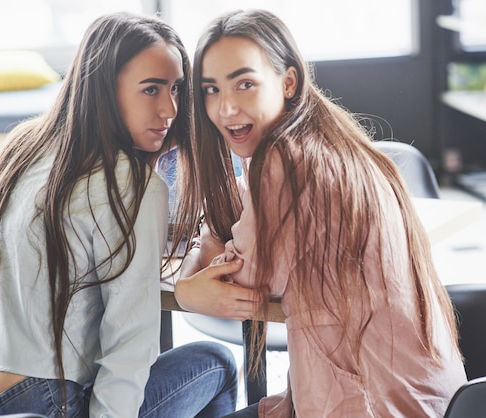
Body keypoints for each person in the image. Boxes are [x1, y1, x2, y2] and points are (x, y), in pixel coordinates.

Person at [0, 12, 239, 417]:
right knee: (218, 363)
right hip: (36, 404)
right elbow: (129, 347)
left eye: (177, 89)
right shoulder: (128, 185)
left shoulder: (28, 145)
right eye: (151, 90)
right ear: (104, 90)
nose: (170, 109)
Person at [174, 8, 467, 417]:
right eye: (211, 90)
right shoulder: (336, 146)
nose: (226, 109)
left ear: (288, 81)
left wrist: (187, 280)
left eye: (245, 84)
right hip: (429, 400)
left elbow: (238, 279)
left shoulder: (282, 162)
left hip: (367, 405)